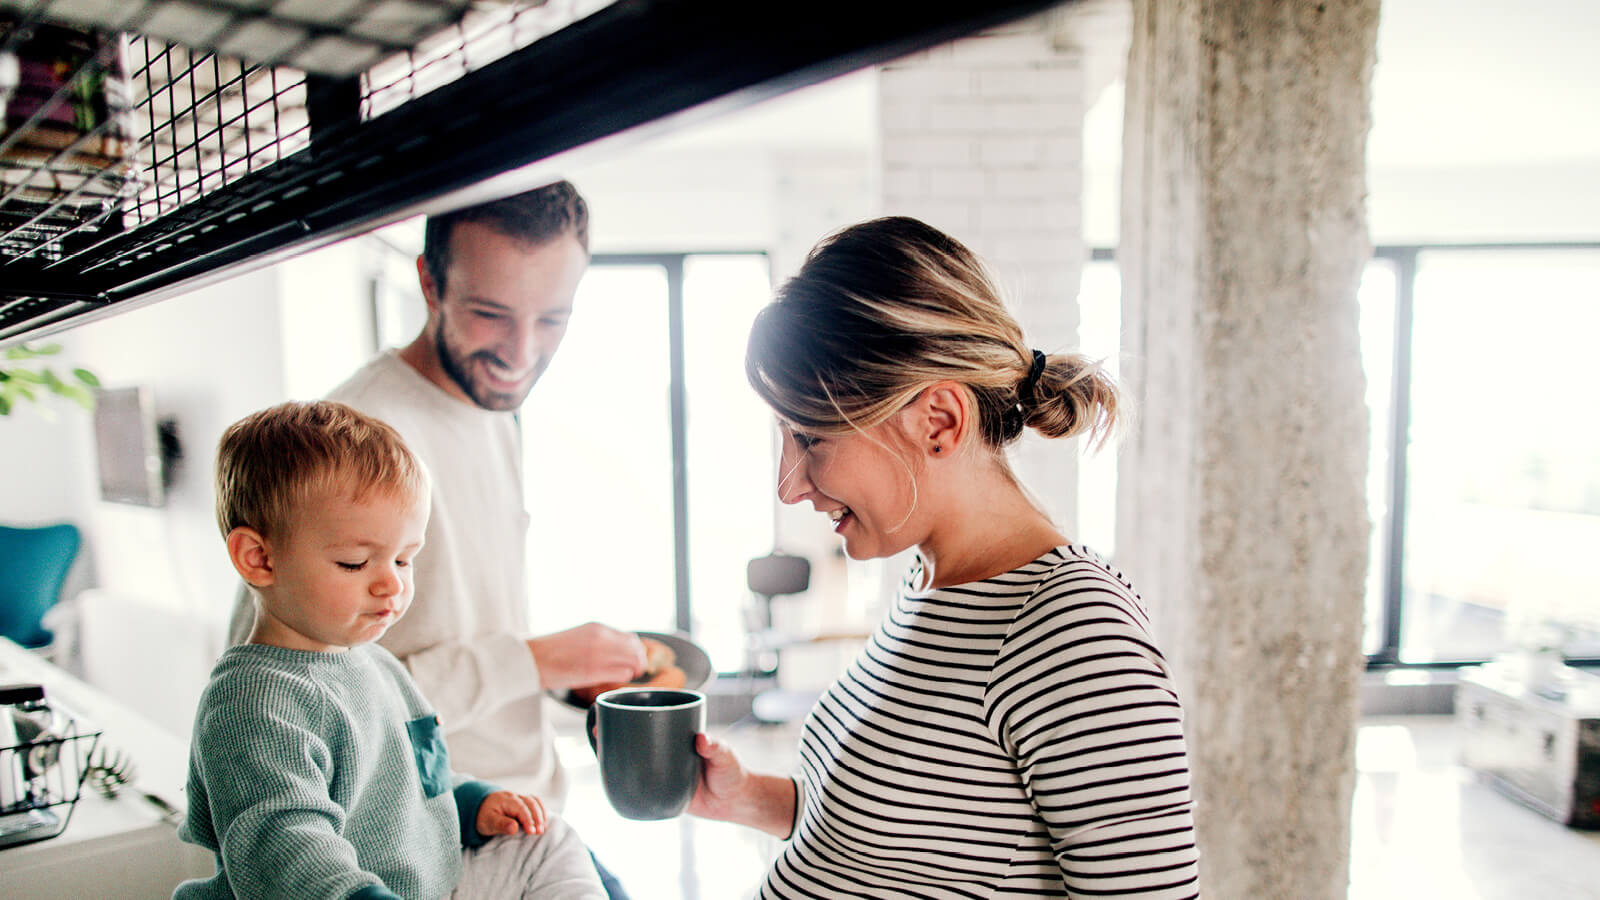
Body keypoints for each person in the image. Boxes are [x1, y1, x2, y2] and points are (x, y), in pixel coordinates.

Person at [689, 216, 1201, 898]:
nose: (789, 483)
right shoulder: (930, 581)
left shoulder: (1076, 632)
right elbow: (906, 843)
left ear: (939, 421)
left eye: (810, 437)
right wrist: (747, 797)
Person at [226, 181, 642, 897]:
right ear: (429, 283)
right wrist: (532, 660)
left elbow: (456, 620)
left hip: (514, 819)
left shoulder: (491, 412)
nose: (521, 352)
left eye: (552, 319)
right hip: (427, 847)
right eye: (490, 314)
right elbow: (294, 695)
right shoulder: (361, 439)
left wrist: (562, 681)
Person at [179, 400, 605, 900]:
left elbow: (420, 777)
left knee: (546, 839)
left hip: (429, 881)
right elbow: (284, 849)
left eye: (405, 559)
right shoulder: (252, 704)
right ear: (259, 559)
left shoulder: (375, 663)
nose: (391, 585)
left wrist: (470, 804)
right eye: (356, 563)